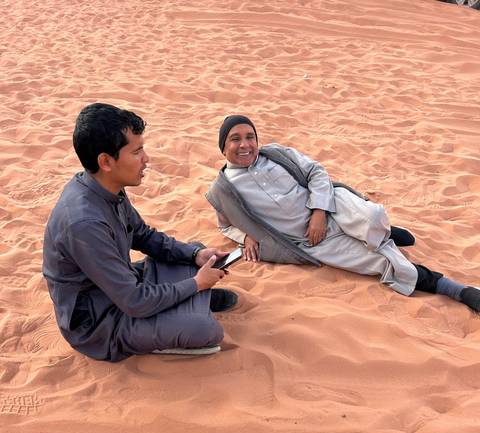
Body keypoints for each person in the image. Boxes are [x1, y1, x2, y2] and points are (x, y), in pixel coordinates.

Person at [206, 115, 479, 312]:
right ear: (223, 147)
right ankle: (458, 290)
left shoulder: (276, 154)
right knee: (379, 263)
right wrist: (246, 236)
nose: (245, 145)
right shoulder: (222, 190)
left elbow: (316, 172)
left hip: (331, 205)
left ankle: (382, 231)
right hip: (309, 241)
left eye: (250, 137)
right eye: (235, 139)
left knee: (374, 217)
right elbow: (225, 226)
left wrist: (319, 212)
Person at [43, 103, 238, 362]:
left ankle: (188, 302)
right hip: (101, 323)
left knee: (195, 254)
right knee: (206, 330)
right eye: (137, 151)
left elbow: (144, 236)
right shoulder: (84, 222)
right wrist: (196, 284)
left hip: (121, 287)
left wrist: (195, 255)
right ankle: (189, 306)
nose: (146, 159)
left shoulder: (106, 186)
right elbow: (134, 300)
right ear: (106, 161)